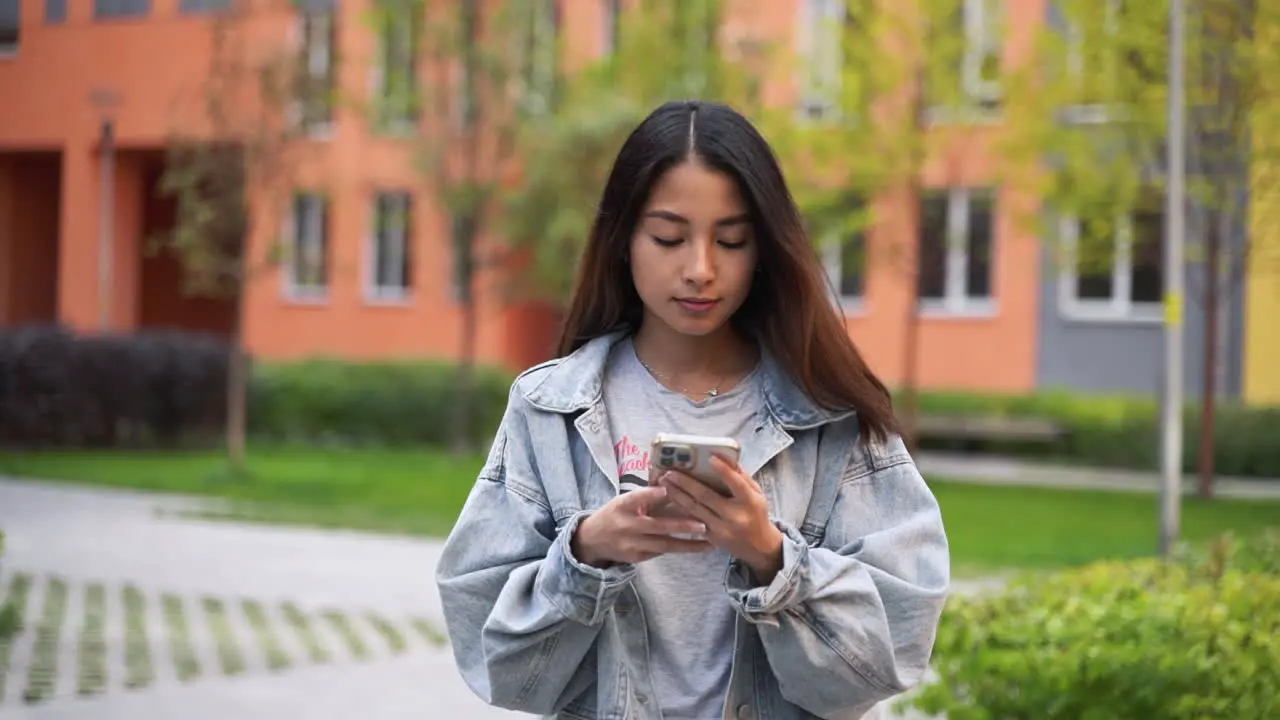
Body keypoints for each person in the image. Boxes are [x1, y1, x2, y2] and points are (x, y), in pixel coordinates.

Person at [435, 100, 950, 720]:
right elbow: (493, 656)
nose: (701, 269)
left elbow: (887, 655)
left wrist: (771, 557)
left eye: (731, 240)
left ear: (764, 250)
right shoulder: (551, 408)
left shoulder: (829, 415)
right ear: (623, 240)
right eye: (669, 237)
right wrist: (588, 553)